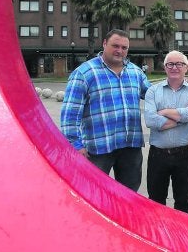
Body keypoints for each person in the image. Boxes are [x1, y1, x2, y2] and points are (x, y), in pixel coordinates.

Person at [60, 29, 150, 191]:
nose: (120, 51)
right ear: (104, 44)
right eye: (115, 45)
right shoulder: (84, 73)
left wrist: (176, 88)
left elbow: (153, 97)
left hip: (130, 146)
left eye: (124, 48)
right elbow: (70, 115)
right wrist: (75, 145)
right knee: (93, 194)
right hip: (97, 149)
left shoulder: (135, 72)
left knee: (129, 195)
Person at [144, 50, 188, 213]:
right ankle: (157, 237)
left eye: (179, 64)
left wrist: (163, 111)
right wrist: (182, 118)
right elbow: (150, 120)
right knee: (156, 201)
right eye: (170, 64)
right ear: (165, 67)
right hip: (158, 154)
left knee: (183, 201)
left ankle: (181, 237)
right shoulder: (153, 91)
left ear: (187, 67)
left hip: (184, 154)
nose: (175, 67)